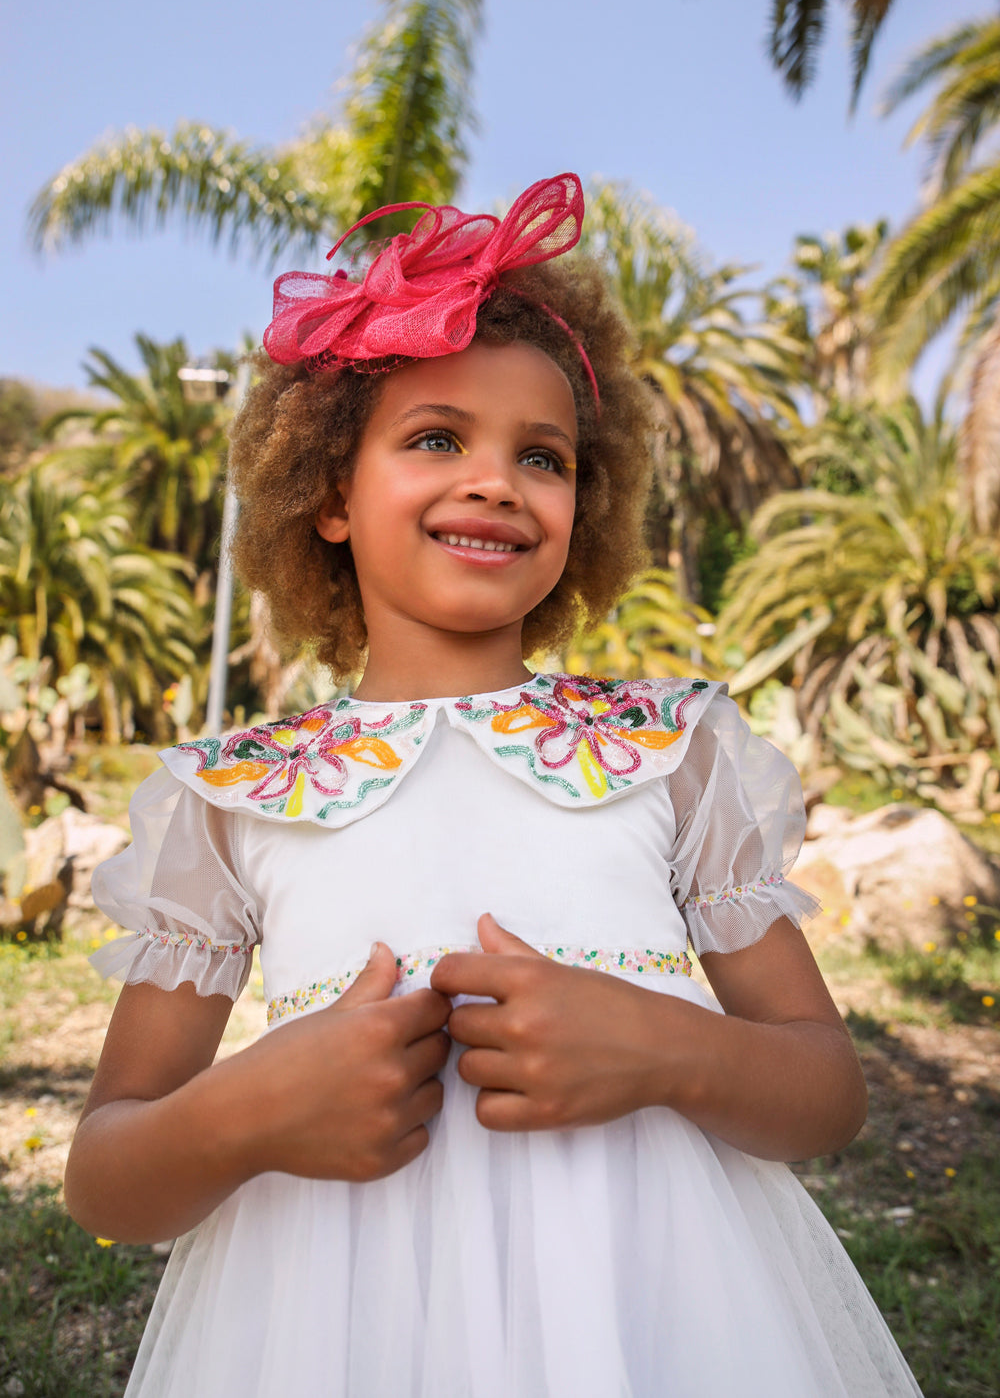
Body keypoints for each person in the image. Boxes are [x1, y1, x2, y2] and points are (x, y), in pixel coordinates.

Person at [66, 173, 921, 1397]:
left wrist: (670, 1050)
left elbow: (824, 1094)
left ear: (589, 498)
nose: (495, 480)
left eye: (544, 455)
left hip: (661, 1322)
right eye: (433, 440)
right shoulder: (233, 793)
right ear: (324, 495)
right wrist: (243, 1111)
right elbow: (106, 1176)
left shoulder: (671, 753)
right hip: (330, 1333)